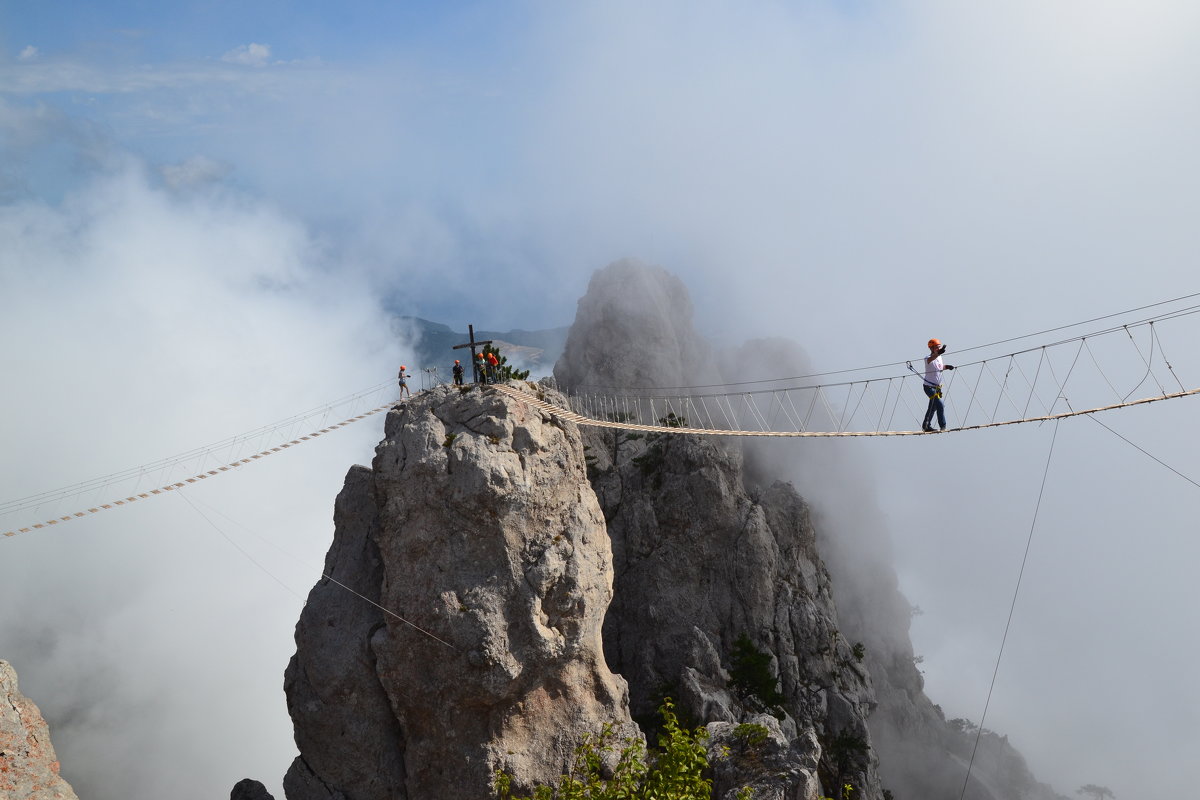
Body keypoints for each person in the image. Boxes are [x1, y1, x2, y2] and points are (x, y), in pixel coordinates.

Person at [921, 339, 955, 431]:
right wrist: (938, 353)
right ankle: (943, 426)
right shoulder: (927, 358)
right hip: (928, 387)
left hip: (937, 388)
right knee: (940, 405)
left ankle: (926, 426)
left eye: (938, 347)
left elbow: (939, 367)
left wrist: (947, 367)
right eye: (936, 347)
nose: (937, 349)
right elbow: (932, 359)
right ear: (931, 348)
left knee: (933, 407)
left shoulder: (939, 357)